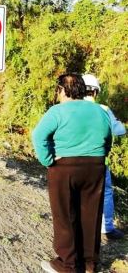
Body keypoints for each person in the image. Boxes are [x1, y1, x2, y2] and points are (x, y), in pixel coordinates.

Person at [32, 74, 112, 273]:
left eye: (57, 90)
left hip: (64, 168)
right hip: (95, 167)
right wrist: (98, 157)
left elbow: (38, 136)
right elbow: (108, 138)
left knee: (65, 215)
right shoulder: (99, 111)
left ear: (61, 89)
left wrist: (47, 160)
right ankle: (89, 264)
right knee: (91, 215)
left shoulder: (57, 111)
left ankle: (67, 265)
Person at [83, 74, 126, 240]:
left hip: (71, 160)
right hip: (97, 161)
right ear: (95, 92)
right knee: (105, 192)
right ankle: (106, 228)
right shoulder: (103, 110)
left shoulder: (68, 108)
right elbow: (119, 130)